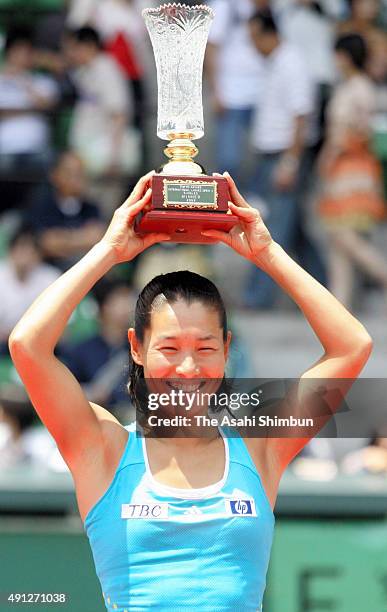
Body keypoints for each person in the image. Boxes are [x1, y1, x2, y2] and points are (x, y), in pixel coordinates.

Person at [9, 171, 373, 611]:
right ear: (136, 348)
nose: (187, 367)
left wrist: (267, 252)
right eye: (169, 347)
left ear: (227, 349)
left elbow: (352, 346)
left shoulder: (261, 446)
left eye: (204, 347)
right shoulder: (103, 447)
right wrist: (108, 252)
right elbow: (27, 345)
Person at [317, 33, 387, 308]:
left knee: (345, 238)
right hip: (355, 168)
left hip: (349, 169)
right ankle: (339, 309)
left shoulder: (355, 89)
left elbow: (344, 134)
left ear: (344, 57)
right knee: (339, 246)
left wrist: (327, 159)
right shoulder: (362, 87)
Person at [26, 151, 106, 271]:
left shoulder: (91, 208)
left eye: (80, 173)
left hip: (88, 270)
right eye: (69, 173)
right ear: (54, 175)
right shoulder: (42, 206)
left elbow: (98, 240)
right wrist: (83, 239)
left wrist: (63, 239)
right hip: (50, 271)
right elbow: (47, 243)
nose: (75, 179)